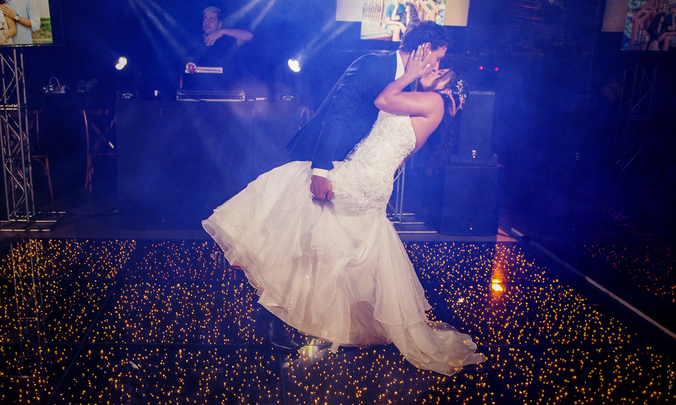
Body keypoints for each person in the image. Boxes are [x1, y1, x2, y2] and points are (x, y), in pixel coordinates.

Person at [203, 23, 484, 374]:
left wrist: (324, 171)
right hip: (350, 168)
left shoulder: (424, 96)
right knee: (319, 236)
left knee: (290, 209)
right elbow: (338, 114)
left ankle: (270, 292)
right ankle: (279, 302)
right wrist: (321, 168)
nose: (435, 67)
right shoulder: (376, 67)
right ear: (424, 48)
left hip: (358, 176)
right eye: (437, 59)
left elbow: (383, 111)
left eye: (441, 67)